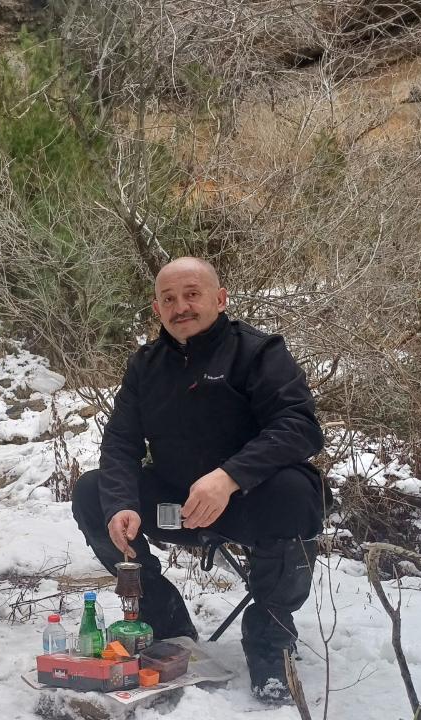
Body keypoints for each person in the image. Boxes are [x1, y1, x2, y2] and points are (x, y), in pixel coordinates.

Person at [71, 256, 325, 703]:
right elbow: (120, 446)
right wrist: (122, 504)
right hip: (177, 509)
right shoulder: (145, 365)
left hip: (247, 505)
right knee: (94, 492)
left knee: (299, 491)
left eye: (192, 294)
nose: (180, 307)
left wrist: (229, 477)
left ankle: (270, 639)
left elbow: (300, 427)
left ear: (220, 299)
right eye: (169, 299)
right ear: (157, 309)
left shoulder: (258, 352)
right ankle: (165, 619)